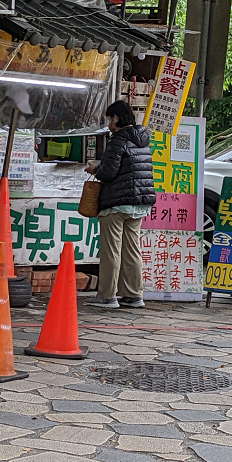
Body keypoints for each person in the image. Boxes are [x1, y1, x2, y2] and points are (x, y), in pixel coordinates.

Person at [83, 101, 156, 309]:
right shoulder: (142, 139)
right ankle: (133, 295)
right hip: (138, 203)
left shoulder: (119, 139)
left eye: (109, 118)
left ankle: (107, 296)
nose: (108, 123)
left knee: (111, 251)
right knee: (132, 249)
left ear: (116, 118)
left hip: (117, 202)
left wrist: (94, 169)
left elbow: (109, 173)